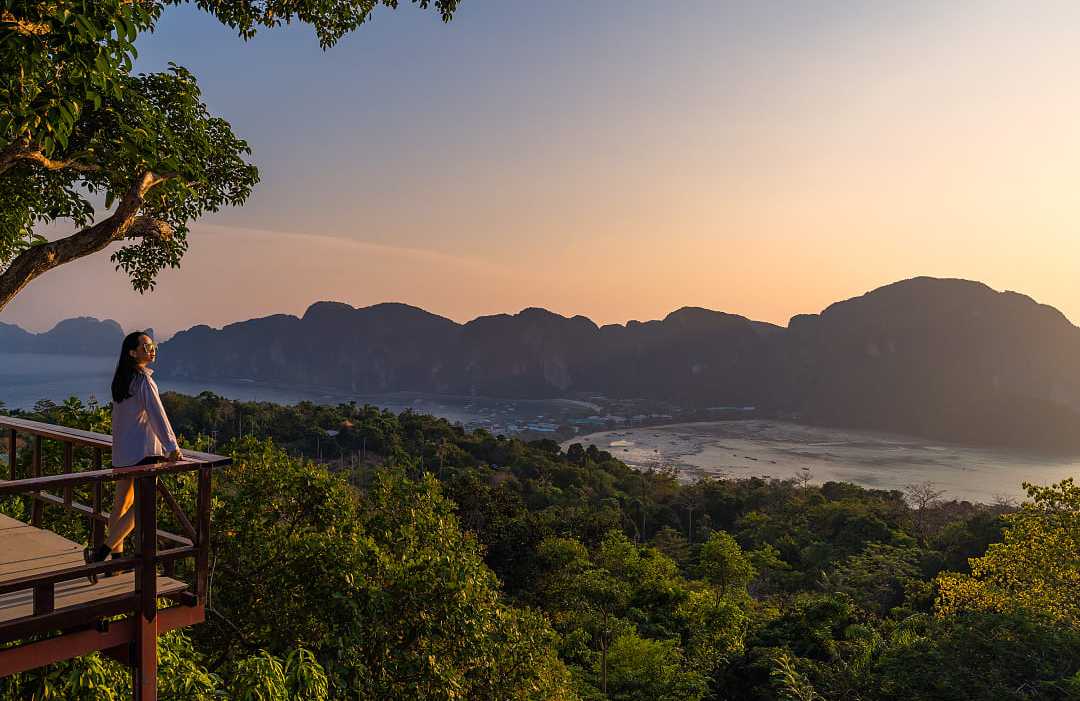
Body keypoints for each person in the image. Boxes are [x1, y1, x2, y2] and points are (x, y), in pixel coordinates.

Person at [83, 331, 182, 582]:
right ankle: (100, 555)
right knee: (142, 508)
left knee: (121, 506)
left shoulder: (123, 381)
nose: (152, 350)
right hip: (144, 452)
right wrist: (172, 446)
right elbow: (158, 415)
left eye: (153, 346)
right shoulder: (143, 382)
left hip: (123, 452)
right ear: (132, 352)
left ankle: (116, 563)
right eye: (146, 346)